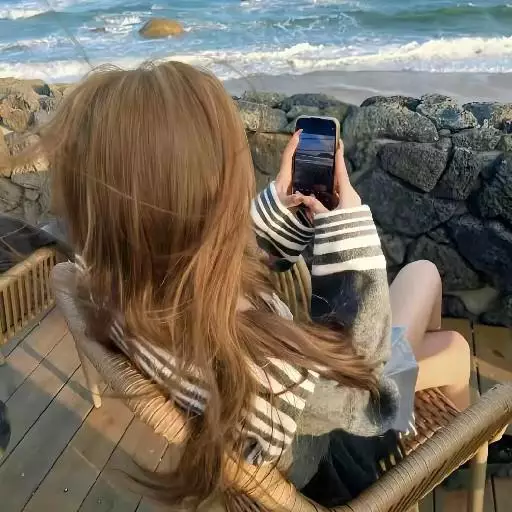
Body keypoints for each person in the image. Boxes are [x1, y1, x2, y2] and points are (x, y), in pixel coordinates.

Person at [4, 61, 485, 508]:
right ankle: (459, 453)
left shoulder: (127, 291)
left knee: (424, 294)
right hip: (337, 453)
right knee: (447, 329)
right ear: (216, 194)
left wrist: (278, 206)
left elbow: (213, 255)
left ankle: (447, 423)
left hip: (303, 418)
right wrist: (347, 227)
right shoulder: (264, 364)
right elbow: (366, 389)